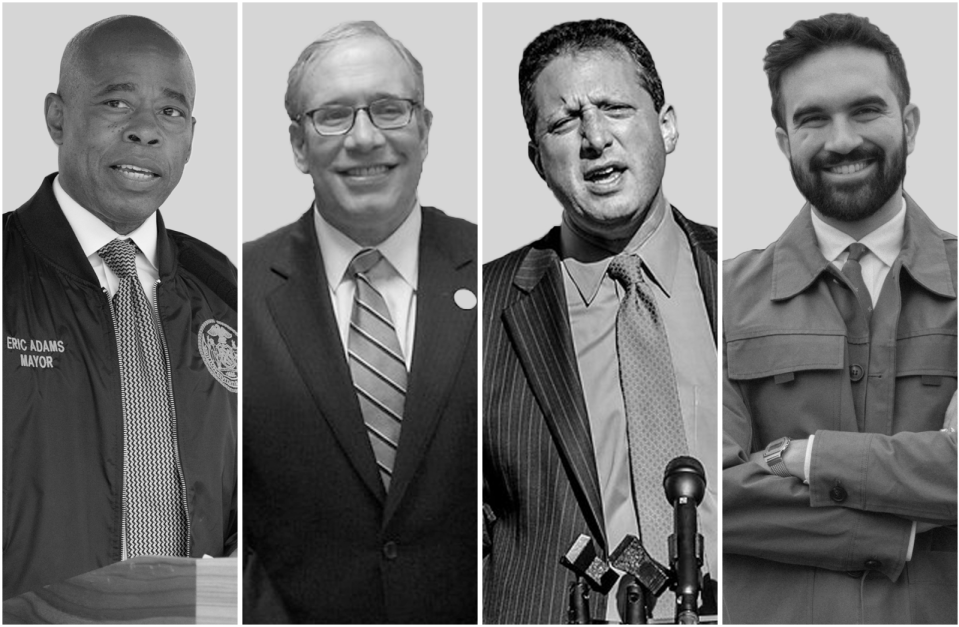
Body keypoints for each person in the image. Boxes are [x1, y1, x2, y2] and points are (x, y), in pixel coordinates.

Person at [722, 13, 958, 624]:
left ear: (908, 124)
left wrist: (807, 458)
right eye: (813, 118)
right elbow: (705, 496)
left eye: (866, 111)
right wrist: (902, 521)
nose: (842, 140)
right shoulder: (715, 296)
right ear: (783, 141)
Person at [482, 18, 718, 624]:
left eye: (615, 108)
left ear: (666, 125)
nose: (595, 138)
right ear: (537, 158)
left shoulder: (743, 275)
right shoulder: (483, 308)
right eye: (564, 122)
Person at [241, 21, 476, 623]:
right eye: (334, 115)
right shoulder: (232, 289)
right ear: (298, 145)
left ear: (424, 130)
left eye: (390, 110)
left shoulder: (501, 272)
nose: (366, 138)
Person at [2, 15, 237, 600]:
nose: (146, 132)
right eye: (116, 103)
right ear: (57, 117)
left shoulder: (224, 287)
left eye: (171, 112)